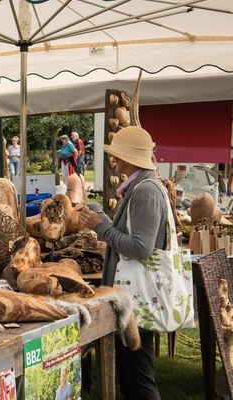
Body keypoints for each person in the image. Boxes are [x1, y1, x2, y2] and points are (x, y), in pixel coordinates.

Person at [78, 126, 165, 400]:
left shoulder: (146, 191)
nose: (113, 160)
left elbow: (141, 246)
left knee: (139, 382)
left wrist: (102, 230)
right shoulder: (139, 186)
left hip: (137, 299)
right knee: (130, 379)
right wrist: (100, 217)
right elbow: (129, 233)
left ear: (126, 158)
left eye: (116, 155)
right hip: (132, 298)